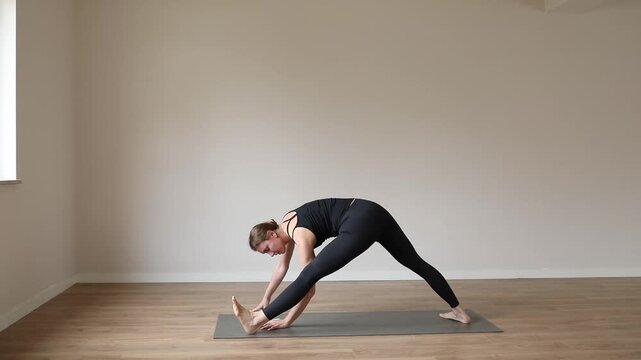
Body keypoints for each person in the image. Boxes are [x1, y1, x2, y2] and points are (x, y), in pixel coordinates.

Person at [231, 198, 471, 334]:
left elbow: (309, 286)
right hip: (374, 211)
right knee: (416, 263)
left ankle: (255, 321)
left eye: (267, 250)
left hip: (359, 222)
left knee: (309, 274)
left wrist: (286, 320)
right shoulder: (288, 223)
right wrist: (266, 297)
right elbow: (281, 268)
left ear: (272, 235)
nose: (270, 255)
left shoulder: (301, 236)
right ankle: (459, 312)